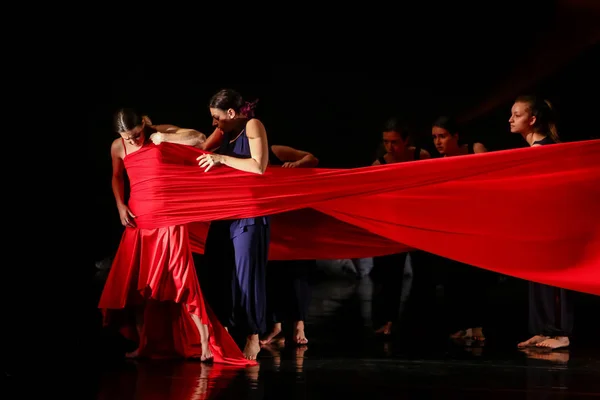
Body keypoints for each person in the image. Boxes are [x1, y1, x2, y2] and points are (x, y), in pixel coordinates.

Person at [98, 108, 253, 365]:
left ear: (143, 124)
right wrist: (119, 205)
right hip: (139, 221)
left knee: (183, 282)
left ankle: (205, 343)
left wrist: (164, 138)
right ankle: (143, 344)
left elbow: (198, 137)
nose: (134, 141)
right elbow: (116, 177)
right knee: (138, 287)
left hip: (169, 219)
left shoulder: (159, 132)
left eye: (136, 134)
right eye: (128, 137)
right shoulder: (118, 147)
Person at [196, 88, 270, 360]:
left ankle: (253, 336)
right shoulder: (225, 132)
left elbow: (259, 166)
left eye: (217, 117)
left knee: (246, 275)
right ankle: (223, 329)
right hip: (226, 212)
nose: (214, 123)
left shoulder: (253, 125)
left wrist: (221, 158)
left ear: (230, 112)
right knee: (215, 267)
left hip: (249, 214)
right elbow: (200, 147)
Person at [509, 95, 572, 350]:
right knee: (537, 281)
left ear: (532, 120)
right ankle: (543, 330)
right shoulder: (531, 152)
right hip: (535, 227)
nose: (511, 119)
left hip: (551, 228)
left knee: (552, 282)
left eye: (517, 115)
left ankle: (560, 333)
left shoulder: (547, 150)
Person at [370, 117, 429, 335]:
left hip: (419, 226)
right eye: (386, 142)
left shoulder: (420, 156)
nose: (390, 147)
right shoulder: (380, 164)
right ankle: (387, 322)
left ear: (405, 141)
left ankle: (417, 323)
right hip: (392, 227)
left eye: (394, 142)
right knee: (389, 277)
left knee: (423, 277)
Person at [260, 144, 318, 346]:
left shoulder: (275, 150)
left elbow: (312, 158)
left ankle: (299, 325)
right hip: (269, 221)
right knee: (270, 274)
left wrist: (296, 164)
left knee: (298, 272)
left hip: (293, 221)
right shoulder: (241, 152)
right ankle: (276, 327)